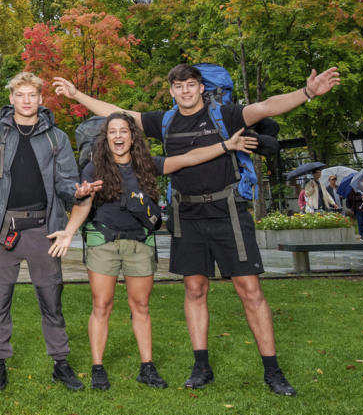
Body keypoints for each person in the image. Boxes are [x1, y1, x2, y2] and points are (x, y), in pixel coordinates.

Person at [54, 63, 341, 396]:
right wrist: (77, 95)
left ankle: (272, 370)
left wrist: (307, 93)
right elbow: (120, 114)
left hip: (228, 210)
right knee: (194, 289)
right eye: (178, 86)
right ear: (172, 90)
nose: (185, 91)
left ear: (201, 87)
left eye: (190, 85)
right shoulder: (166, 121)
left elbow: (267, 106)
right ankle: (201, 366)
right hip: (187, 212)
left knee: (250, 290)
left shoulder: (227, 115)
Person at [48, 113, 258, 390]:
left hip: (140, 241)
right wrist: (70, 229)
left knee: (141, 306)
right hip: (104, 241)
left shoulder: (147, 165)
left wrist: (225, 146)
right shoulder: (93, 168)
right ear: (106, 137)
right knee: (102, 306)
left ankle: (147, 368)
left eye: (124, 131)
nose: (119, 136)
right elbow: (84, 203)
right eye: (113, 132)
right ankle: (98, 368)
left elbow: (188, 158)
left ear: (133, 136)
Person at [0, 74, 87, 393]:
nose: (26, 100)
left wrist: (77, 191)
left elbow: (66, 181)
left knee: (51, 298)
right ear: (11, 99)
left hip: (42, 229)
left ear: (40, 99)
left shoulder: (56, 137)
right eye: (20, 95)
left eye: (32, 95)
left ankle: (61, 363)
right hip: (3, 228)